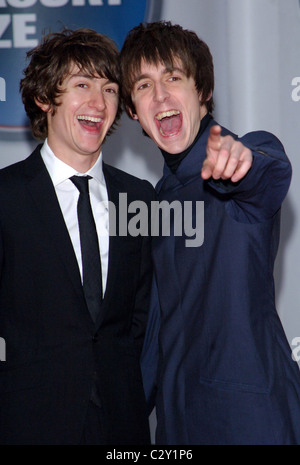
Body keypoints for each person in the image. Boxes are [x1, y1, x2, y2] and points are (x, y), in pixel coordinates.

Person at [120, 20, 300, 445]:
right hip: (177, 427)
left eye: (173, 77)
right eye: (144, 85)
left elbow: (268, 170)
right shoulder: (158, 200)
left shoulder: (239, 159)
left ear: (202, 93)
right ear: (132, 111)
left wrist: (241, 161)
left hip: (251, 422)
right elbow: (158, 331)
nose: (160, 95)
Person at [0, 28, 155, 445]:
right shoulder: (5, 197)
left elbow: (139, 318)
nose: (97, 103)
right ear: (44, 98)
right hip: (28, 424)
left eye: (108, 88)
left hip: (123, 426)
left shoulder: (138, 197)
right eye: (81, 85)